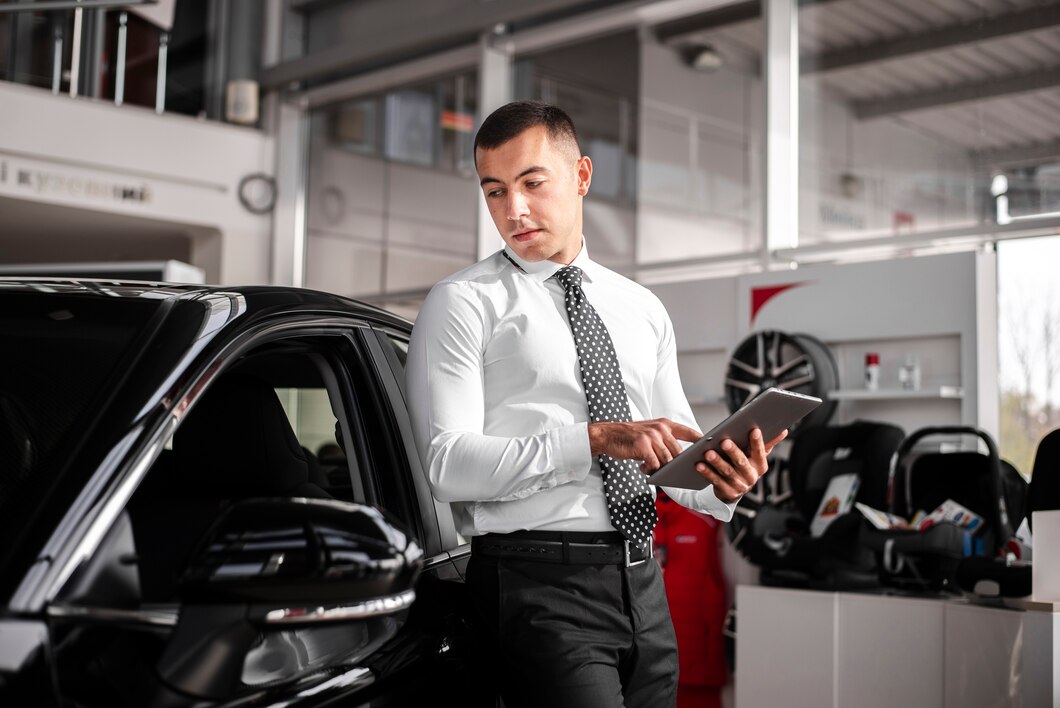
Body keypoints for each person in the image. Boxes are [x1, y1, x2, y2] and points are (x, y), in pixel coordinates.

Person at [406, 101, 784, 708]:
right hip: (534, 583)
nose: (514, 210)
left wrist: (724, 483)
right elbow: (448, 466)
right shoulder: (463, 302)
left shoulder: (641, 308)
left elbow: (674, 456)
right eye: (495, 191)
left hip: (643, 582)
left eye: (532, 183)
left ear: (581, 177)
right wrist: (594, 439)